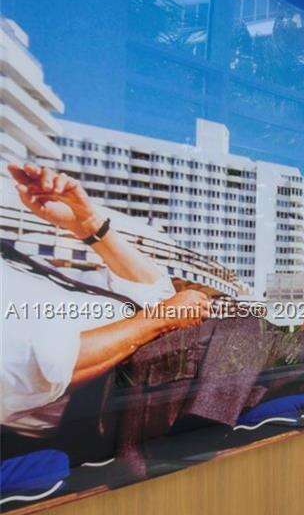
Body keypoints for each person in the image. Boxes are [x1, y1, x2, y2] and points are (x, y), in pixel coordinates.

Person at [2, 162, 211, 435]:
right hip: (117, 404)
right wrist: (160, 319)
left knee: (249, 335)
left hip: (156, 363)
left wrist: (87, 223)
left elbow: (154, 292)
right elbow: (46, 366)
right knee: (246, 338)